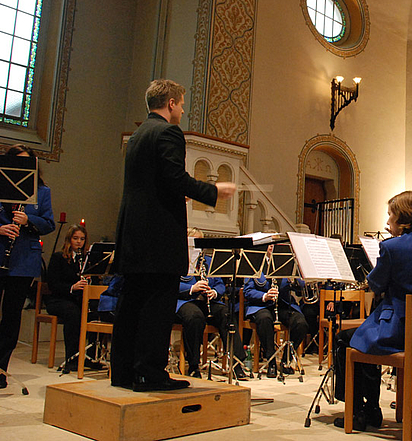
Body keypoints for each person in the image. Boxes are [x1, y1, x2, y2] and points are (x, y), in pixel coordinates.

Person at [110, 79, 236, 392]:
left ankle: (123, 372)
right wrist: (212, 190)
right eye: (180, 103)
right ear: (170, 103)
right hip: (158, 236)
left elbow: (155, 182)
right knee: (156, 305)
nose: (182, 109)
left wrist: (175, 193)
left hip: (133, 232)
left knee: (132, 303)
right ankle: (150, 374)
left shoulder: (139, 133)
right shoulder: (168, 132)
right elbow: (174, 176)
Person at [333, 191, 412, 431]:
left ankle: (360, 411)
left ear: (402, 218)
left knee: (346, 340)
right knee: (362, 335)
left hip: (401, 333)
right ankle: (368, 409)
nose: (388, 221)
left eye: (390, 215)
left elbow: (377, 285)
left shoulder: (391, 247)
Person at [0, 144, 55, 389]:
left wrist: (28, 220)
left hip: (23, 260)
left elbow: (48, 223)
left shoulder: (41, 191)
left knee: (12, 315)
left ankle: (1, 367)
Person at [176, 255, 248, 380]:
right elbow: (172, 284)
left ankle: (236, 363)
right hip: (186, 301)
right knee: (195, 317)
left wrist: (214, 292)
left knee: (226, 313)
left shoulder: (208, 261)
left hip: (207, 301)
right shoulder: (179, 260)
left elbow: (220, 284)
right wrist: (192, 288)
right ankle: (193, 365)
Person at [45, 225, 102, 373]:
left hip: (78, 301)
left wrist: (91, 279)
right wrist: (73, 287)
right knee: (73, 313)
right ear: (69, 239)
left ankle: (91, 357)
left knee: (98, 313)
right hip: (59, 299)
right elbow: (53, 284)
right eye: (75, 238)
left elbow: (95, 284)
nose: (79, 242)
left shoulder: (87, 261)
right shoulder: (59, 257)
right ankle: (72, 358)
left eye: (82, 239)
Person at [243, 276, 309, 378]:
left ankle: (286, 360)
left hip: (283, 305)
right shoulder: (256, 264)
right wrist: (265, 296)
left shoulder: (287, 264)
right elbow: (248, 291)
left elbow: (300, 290)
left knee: (301, 324)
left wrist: (294, 281)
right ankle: (271, 361)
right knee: (264, 320)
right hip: (261, 305)